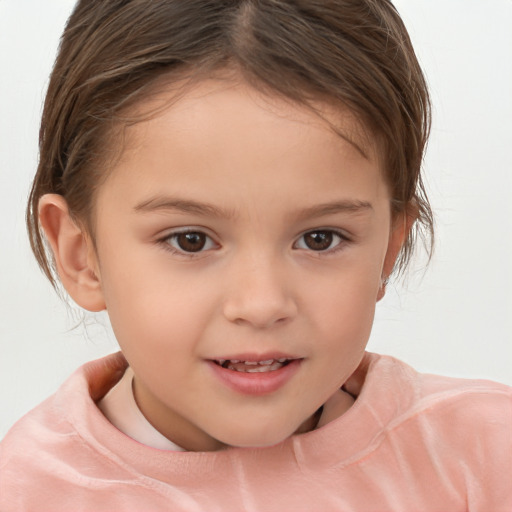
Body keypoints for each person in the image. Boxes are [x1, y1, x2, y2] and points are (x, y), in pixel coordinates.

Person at [0, 0, 510, 510]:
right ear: (81, 254)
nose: (262, 304)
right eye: (190, 240)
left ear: (388, 249)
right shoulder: (29, 491)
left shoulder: (484, 457)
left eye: (319, 238)